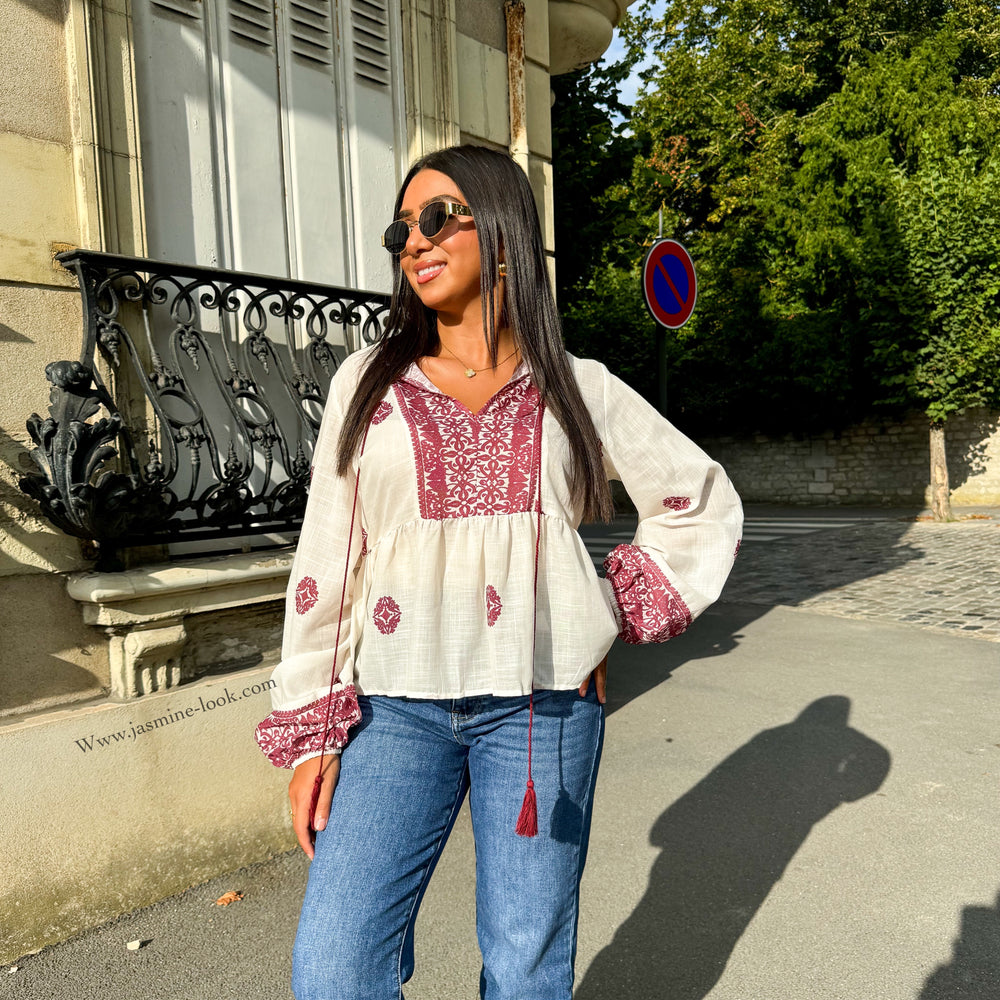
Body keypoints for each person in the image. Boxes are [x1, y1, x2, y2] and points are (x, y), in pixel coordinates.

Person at [254, 144, 743, 1000]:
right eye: (400, 228)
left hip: (541, 709)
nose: (414, 240)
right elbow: (328, 558)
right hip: (393, 710)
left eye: (438, 216)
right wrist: (312, 732)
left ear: (505, 230)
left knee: (525, 974)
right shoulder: (367, 382)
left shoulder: (576, 385)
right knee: (333, 967)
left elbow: (698, 500)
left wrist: (608, 606)